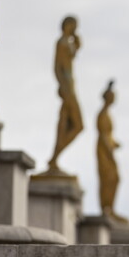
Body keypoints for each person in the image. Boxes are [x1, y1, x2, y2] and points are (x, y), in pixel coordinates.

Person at [48, 15, 84, 172]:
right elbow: (56, 66)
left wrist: (76, 40)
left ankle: (55, 157)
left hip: (71, 86)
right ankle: (54, 158)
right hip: (67, 88)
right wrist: (62, 85)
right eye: (73, 25)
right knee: (73, 124)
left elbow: (76, 50)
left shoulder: (68, 43)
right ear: (67, 25)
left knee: (70, 124)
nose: (75, 28)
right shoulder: (61, 43)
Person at [97, 80, 129, 224]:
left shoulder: (107, 114)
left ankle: (110, 207)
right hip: (104, 151)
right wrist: (110, 152)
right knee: (110, 178)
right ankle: (107, 208)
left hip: (108, 149)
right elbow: (103, 136)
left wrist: (115, 144)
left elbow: (108, 135)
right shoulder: (103, 114)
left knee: (113, 179)